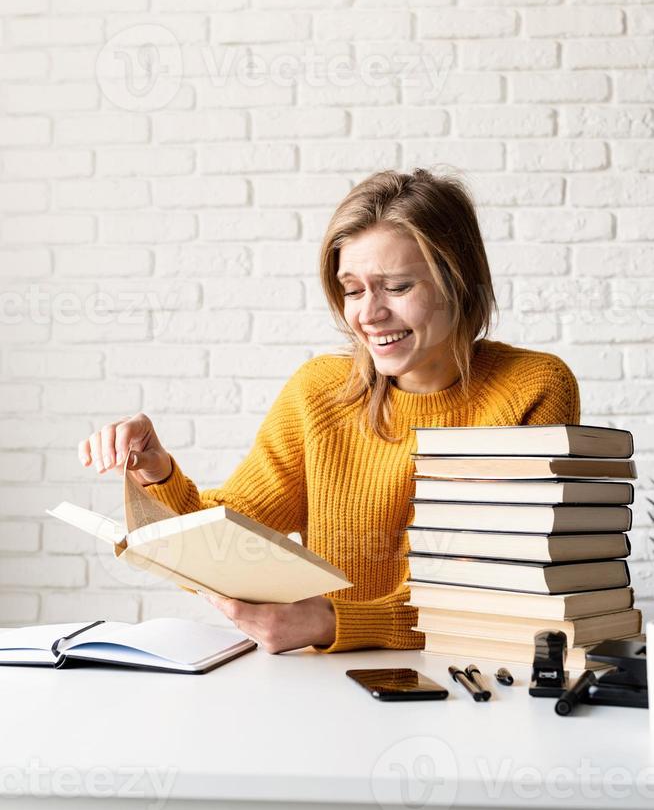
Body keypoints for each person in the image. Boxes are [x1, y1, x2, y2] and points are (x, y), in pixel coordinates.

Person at [78, 168, 580, 655]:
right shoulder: (320, 392)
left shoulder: (531, 389)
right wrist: (157, 472)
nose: (368, 313)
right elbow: (233, 541)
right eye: (353, 289)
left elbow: (500, 588)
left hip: (475, 681)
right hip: (324, 690)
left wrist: (331, 622)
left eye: (398, 287)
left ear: (459, 280)